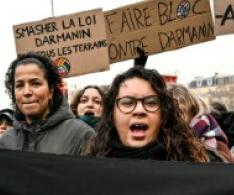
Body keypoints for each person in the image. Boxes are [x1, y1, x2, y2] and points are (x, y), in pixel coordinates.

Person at [87, 67, 217, 162]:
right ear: (112, 115)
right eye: (127, 103)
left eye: (150, 102)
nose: (139, 110)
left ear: (164, 114)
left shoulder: (196, 166)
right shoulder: (90, 170)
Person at [0, 53, 94, 155]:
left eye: (35, 83)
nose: (27, 92)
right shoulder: (6, 141)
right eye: (20, 85)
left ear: (51, 90)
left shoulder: (80, 134)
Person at [167, 82, 234, 162]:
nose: (175, 117)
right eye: (170, 113)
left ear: (193, 112)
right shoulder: (163, 141)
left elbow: (230, 169)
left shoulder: (216, 144)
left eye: (180, 112)